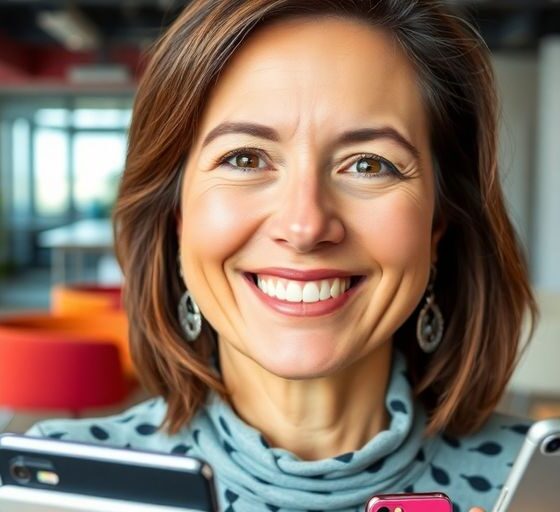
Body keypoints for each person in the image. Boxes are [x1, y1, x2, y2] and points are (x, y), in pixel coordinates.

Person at [27, 1, 539, 511]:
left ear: (436, 225)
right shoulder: (59, 484)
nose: (305, 226)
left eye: (368, 164)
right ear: (178, 216)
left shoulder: (535, 488)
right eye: (245, 158)